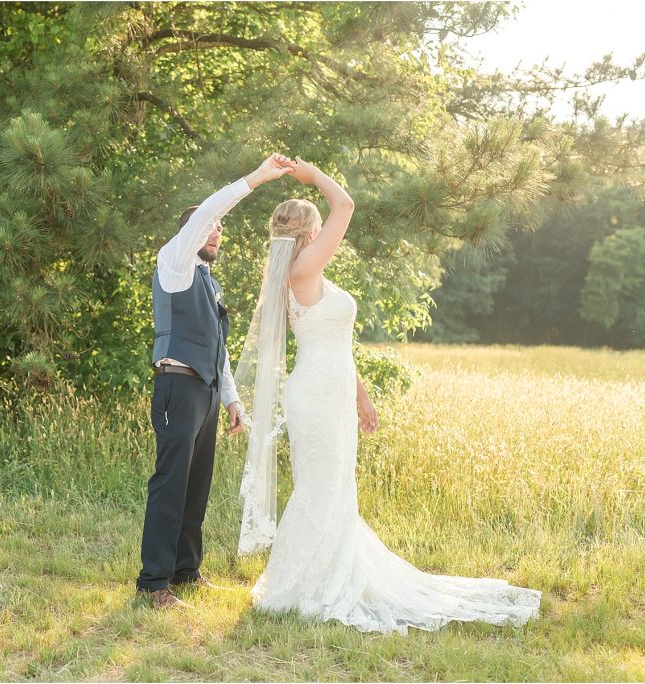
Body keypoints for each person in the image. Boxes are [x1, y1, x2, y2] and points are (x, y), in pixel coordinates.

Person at [234, 156, 541, 634]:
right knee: (321, 487)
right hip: (315, 394)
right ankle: (302, 585)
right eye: (318, 225)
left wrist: (361, 396)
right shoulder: (302, 268)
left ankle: (314, 577)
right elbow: (347, 203)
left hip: (330, 389)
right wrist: (314, 176)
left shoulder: (306, 273)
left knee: (335, 487)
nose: (324, 230)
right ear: (308, 231)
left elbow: (334, 344)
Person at [136, 153, 296, 609]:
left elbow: (218, 349)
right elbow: (207, 212)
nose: (216, 231)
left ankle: (186, 572)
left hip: (204, 393)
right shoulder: (175, 263)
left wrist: (230, 403)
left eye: (219, 230)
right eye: (210, 227)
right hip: (176, 387)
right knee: (170, 484)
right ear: (189, 235)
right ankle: (153, 585)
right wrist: (257, 178)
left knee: (196, 486)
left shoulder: (208, 280)